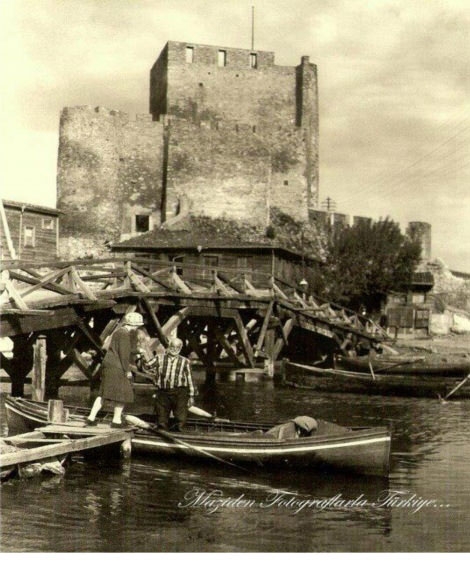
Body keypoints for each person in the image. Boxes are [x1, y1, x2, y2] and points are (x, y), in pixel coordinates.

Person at [85, 312, 144, 428]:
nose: (137, 328)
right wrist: (127, 371)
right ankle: (116, 421)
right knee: (124, 393)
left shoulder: (118, 332)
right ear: (134, 324)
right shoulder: (125, 334)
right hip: (117, 367)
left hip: (109, 364)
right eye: (137, 326)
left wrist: (137, 351)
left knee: (103, 393)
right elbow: (124, 354)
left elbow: (120, 349)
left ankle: (91, 418)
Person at [151, 337, 196, 432]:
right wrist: (140, 358)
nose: (174, 349)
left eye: (177, 347)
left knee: (180, 414)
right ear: (168, 347)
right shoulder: (159, 358)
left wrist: (191, 395)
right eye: (172, 346)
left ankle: (178, 430)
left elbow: (190, 379)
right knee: (161, 413)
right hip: (163, 391)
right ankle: (162, 430)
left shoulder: (185, 361)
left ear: (180, 348)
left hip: (180, 391)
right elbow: (147, 366)